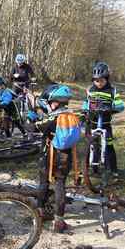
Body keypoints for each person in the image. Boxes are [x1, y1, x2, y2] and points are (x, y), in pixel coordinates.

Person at [26, 84, 81, 233]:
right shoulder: (72, 115)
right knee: (60, 185)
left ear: (55, 103)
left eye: (49, 103)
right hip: (66, 156)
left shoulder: (52, 119)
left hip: (49, 155)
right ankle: (59, 221)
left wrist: (30, 117)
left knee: (44, 182)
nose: (48, 106)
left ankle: (40, 212)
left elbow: (32, 128)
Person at [81, 62, 124, 177]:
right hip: (93, 122)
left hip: (105, 123)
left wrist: (114, 107)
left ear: (107, 79)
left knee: (109, 145)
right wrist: (84, 109)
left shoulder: (112, 90)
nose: (99, 83)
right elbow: (85, 103)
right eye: (96, 81)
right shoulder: (90, 90)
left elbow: (120, 104)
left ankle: (113, 169)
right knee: (92, 144)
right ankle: (89, 168)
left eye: (102, 80)